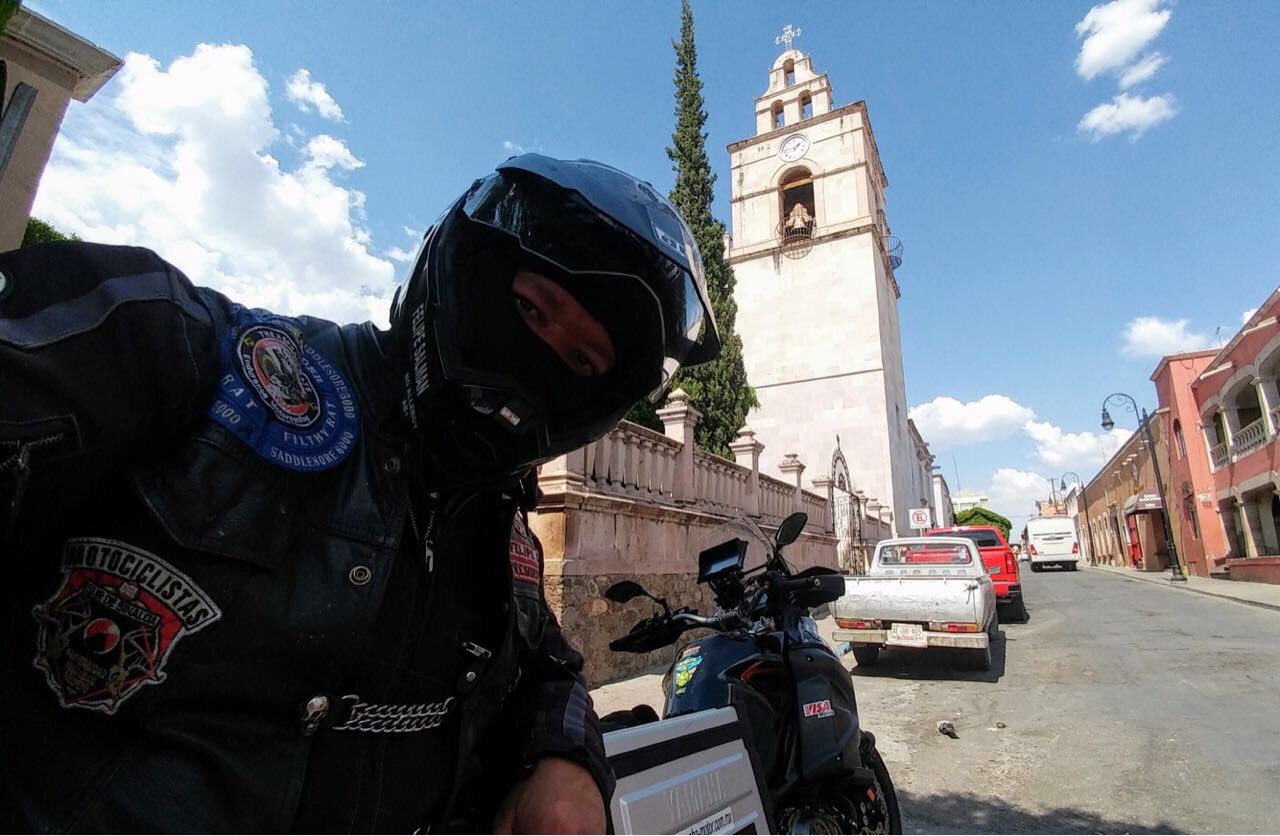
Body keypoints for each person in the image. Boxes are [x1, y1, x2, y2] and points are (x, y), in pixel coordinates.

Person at [0, 154, 721, 833]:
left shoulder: (500, 531)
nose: (534, 363)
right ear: (463, 275)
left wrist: (565, 758)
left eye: (579, 360)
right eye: (530, 310)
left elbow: (547, 663)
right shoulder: (199, 361)